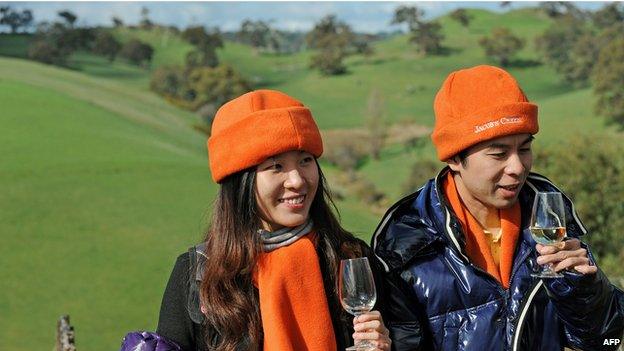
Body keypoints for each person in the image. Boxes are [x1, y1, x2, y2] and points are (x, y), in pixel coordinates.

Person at [371, 65, 624, 350]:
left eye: (525, 149)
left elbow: (606, 340)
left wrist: (585, 291)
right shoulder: (404, 243)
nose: (517, 167)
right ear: (454, 158)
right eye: (499, 153)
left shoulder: (551, 220)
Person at [141, 90, 391, 351]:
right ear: (241, 182)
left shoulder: (349, 259)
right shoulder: (198, 275)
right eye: (276, 167)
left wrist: (385, 345)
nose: (297, 180)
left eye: (305, 160)